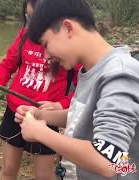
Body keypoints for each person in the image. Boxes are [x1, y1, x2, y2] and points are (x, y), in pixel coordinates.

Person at [15, 0, 139, 179]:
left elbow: (109, 161)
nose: (46, 56)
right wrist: (42, 116)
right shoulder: (91, 69)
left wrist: (42, 133)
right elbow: (85, 118)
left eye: (46, 44)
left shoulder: (119, 74)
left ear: (68, 28)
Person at [0, 1, 79, 179]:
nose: (33, 25)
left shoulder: (70, 48)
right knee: (8, 169)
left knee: (43, 175)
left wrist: (60, 104)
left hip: (45, 117)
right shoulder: (25, 35)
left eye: (38, 19)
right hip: (14, 112)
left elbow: (82, 89)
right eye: (29, 18)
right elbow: (8, 63)